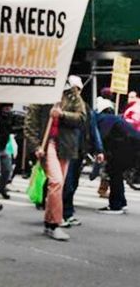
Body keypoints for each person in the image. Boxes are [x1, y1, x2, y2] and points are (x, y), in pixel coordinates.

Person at [25, 77, 87, 242]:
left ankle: (48, 222)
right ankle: (55, 223)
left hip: (65, 145)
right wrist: (36, 146)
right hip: (47, 144)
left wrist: (62, 115)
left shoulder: (72, 94)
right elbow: (30, 123)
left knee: (58, 185)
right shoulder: (41, 93)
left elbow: (82, 117)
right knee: (56, 181)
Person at [61, 76, 103, 228]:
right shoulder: (61, 105)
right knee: (65, 183)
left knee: (73, 183)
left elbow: (93, 129)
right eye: (73, 89)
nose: (75, 92)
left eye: (78, 89)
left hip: (79, 150)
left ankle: (65, 212)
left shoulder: (85, 108)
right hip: (64, 148)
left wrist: (99, 149)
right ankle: (62, 213)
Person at [94, 98, 140, 214]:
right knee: (116, 174)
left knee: (114, 173)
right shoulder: (113, 119)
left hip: (126, 148)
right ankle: (121, 203)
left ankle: (116, 206)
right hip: (130, 147)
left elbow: (102, 137)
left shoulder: (104, 119)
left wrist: (98, 150)